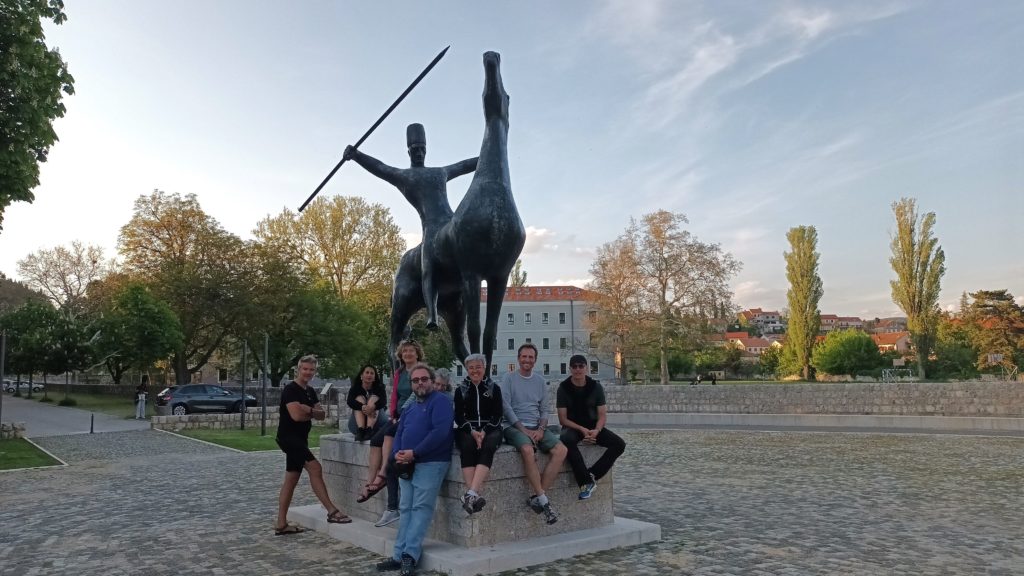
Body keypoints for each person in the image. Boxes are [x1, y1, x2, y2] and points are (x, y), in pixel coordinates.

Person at [344, 125, 477, 332]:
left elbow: (464, 165)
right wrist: (357, 155)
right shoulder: (404, 176)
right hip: (431, 229)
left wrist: (488, 156)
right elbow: (380, 167)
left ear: (427, 150)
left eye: (422, 149)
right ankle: (432, 313)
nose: (419, 153)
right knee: (428, 265)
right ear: (408, 152)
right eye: (415, 150)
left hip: (452, 223)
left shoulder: (439, 172)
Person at [374, 363, 454, 576]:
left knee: (420, 508)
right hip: (407, 464)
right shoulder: (410, 408)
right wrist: (397, 455)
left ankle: (410, 555)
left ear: (431, 380)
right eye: (416, 380)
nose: (420, 383)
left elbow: (440, 432)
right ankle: (398, 555)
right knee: (406, 507)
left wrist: (415, 453)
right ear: (411, 384)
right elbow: (399, 432)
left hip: (431, 462)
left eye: (424, 379)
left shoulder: (441, 402)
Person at [274, 354, 351, 534]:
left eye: (312, 370)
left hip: (301, 439)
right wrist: (311, 411)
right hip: (289, 438)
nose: (308, 372)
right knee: (315, 468)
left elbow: (322, 414)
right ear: (298, 370)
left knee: (291, 479)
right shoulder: (290, 390)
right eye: (305, 369)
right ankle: (332, 511)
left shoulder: (309, 391)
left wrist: (307, 409)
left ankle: (281, 523)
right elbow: (296, 416)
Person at [358, 340, 423, 529]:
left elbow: (417, 395)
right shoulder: (399, 373)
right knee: (375, 440)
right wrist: (394, 414)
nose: (408, 353)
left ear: (417, 353)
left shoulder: (420, 371)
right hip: (399, 416)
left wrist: (402, 414)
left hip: (413, 415)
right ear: (401, 355)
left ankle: (383, 474)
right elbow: (394, 395)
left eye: (411, 350)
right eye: (405, 351)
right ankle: (371, 482)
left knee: (390, 437)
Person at [499, 343, 566, 524]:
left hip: (537, 426)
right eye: (524, 356)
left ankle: (538, 496)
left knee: (561, 451)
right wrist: (524, 430)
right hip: (513, 426)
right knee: (528, 450)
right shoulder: (509, 378)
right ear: (518, 358)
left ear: (535, 360)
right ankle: (544, 502)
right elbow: (506, 408)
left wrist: (541, 429)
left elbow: (544, 410)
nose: (527, 360)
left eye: (531, 357)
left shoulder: (540, 382)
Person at [556, 354, 626, 500]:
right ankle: (585, 482)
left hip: (593, 426)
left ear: (586, 368)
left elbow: (602, 416)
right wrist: (582, 430)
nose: (577, 369)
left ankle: (593, 474)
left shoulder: (596, 387)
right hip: (573, 427)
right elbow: (563, 419)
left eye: (581, 366)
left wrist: (596, 431)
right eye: (574, 366)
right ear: (570, 369)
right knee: (566, 439)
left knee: (619, 444)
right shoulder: (563, 388)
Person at [453, 354, 504, 515]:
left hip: (490, 427)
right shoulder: (461, 390)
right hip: (468, 428)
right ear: (467, 370)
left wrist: (484, 432)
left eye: (478, 367)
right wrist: (472, 431)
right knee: (467, 445)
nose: (475, 371)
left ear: (484, 368)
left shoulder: (494, 388)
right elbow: (459, 416)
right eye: (471, 368)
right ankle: (473, 495)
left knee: (489, 446)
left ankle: (470, 494)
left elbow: (498, 415)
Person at [347, 364, 388, 441]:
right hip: (356, 425)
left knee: (373, 399)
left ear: (375, 377)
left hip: (377, 424)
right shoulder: (355, 388)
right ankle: (361, 430)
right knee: (359, 398)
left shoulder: (379, 387)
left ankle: (369, 429)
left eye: (372, 373)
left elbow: (383, 401)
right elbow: (350, 401)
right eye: (367, 372)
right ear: (361, 375)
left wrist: (373, 407)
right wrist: (363, 407)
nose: (369, 375)